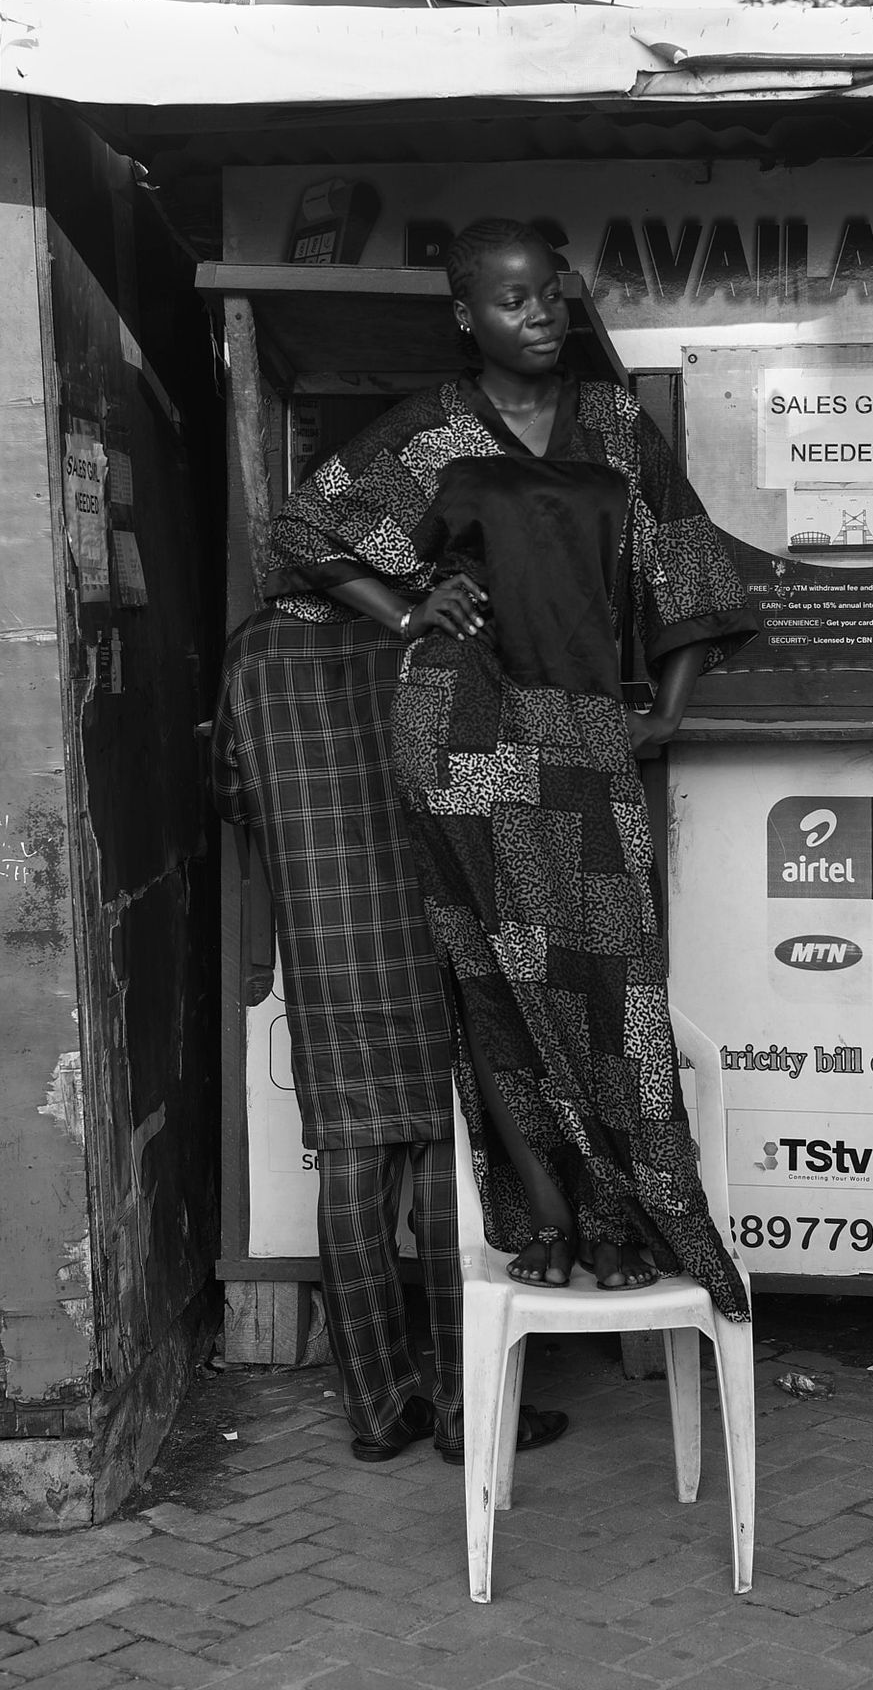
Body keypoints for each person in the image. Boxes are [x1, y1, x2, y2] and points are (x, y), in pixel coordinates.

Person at [265, 217, 756, 1320]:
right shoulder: (435, 434)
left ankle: (630, 1215)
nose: (538, 317)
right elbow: (301, 522)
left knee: (614, 982)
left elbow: (684, 557)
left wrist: (665, 716)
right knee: (496, 976)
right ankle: (543, 1215)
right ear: (467, 315)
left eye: (549, 296)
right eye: (511, 300)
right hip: (464, 731)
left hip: (585, 729)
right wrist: (404, 609)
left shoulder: (613, 426)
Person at [212, 593, 567, 1464]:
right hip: (431, 917)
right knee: (448, 1160)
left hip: (325, 928)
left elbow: (229, 788)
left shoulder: (255, 646)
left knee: (351, 1158)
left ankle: (377, 1411)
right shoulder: (431, 633)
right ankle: (466, 1404)